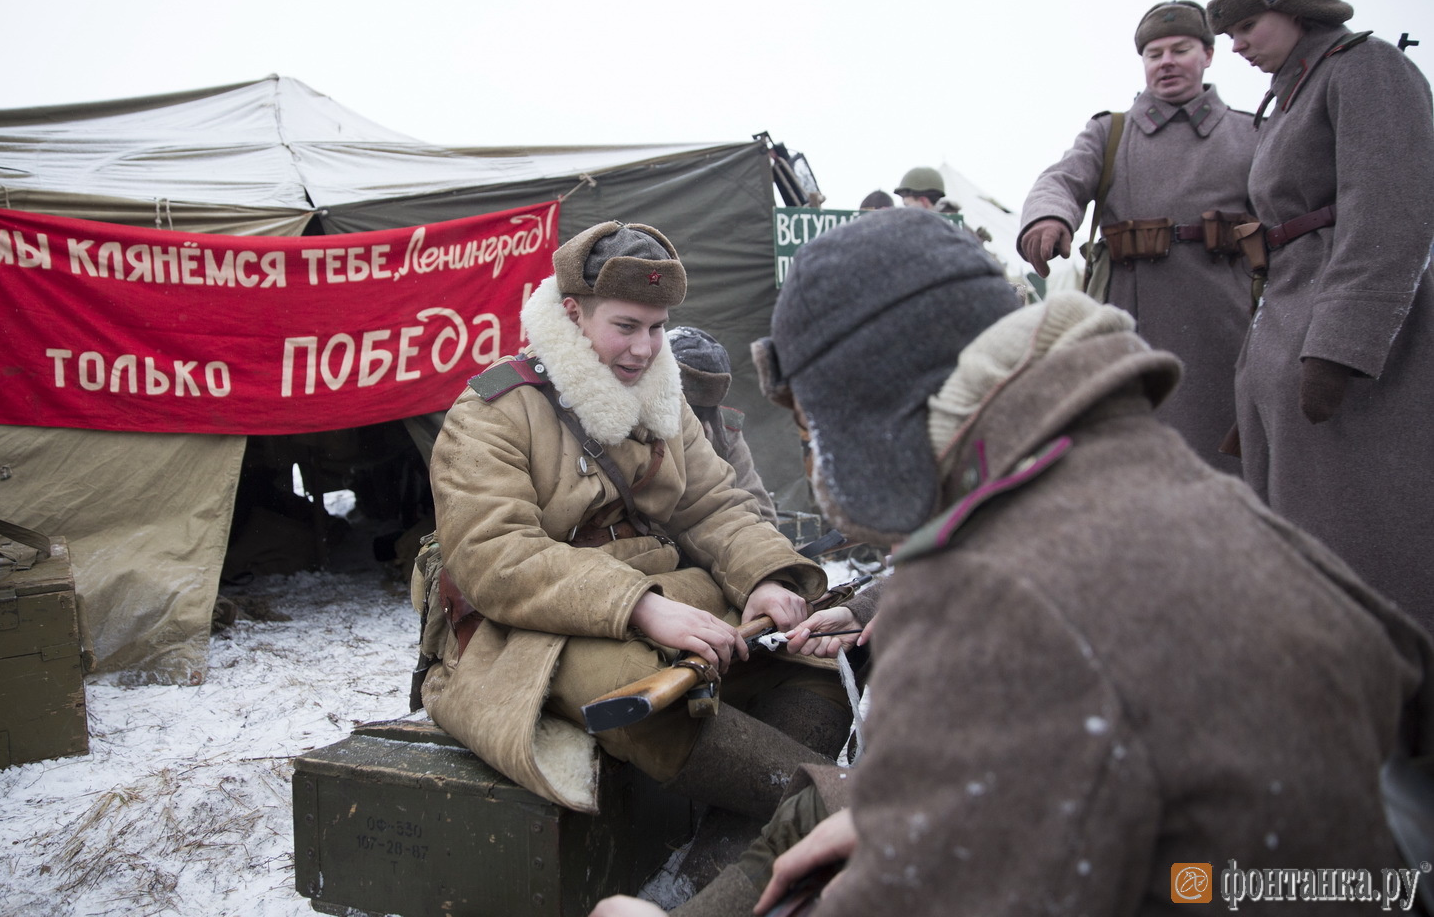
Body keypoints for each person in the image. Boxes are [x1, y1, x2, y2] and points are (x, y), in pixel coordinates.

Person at [592, 207, 1434, 917]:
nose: (817, 464)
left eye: (815, 430)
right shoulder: (1186, 490)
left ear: (877, 417)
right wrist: (917, 818)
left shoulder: (985, 598)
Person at [420, 220, 850, 826]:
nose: (645, 349)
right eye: (625, 327)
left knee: (817, 657)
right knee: (643, 698)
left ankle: (739, 845)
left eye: (656, 328)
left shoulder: (665, 403)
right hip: (534, 628)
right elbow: (497, 559)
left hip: (669, 597)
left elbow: (714, 505)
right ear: (572, 313)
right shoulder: (493, 412)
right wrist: (641, 607)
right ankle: (839, 814)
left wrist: (763, 578)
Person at [1207, 0, 1434, 632]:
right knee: (1304, 541)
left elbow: (1392, 210)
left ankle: (1402, 708)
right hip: (1288, 327)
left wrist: (1339, 345)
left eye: (1248, 25)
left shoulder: (1365, 67)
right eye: (1231, 33)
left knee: (1365, 541)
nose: (1238, 44)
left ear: (1296, 7)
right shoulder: (1290, 95)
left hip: (1353, 353)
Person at [1017, 0, 1257, 475]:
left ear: (1208, 54)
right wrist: (1049, 218)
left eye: (1180, 49)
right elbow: (1061, 180)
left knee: (1225, 468)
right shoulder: (1111, 133)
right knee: (1130, 462)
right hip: (1132, 321)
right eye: (1153, 53)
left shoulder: (1250, 134)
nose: (1165, 62)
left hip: (1229, 325)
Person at [666, 325, 776, 521]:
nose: (692, 421)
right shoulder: (631, 429)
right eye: (683, 407)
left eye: (701, 411)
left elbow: (762, 514)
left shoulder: (724, 433)